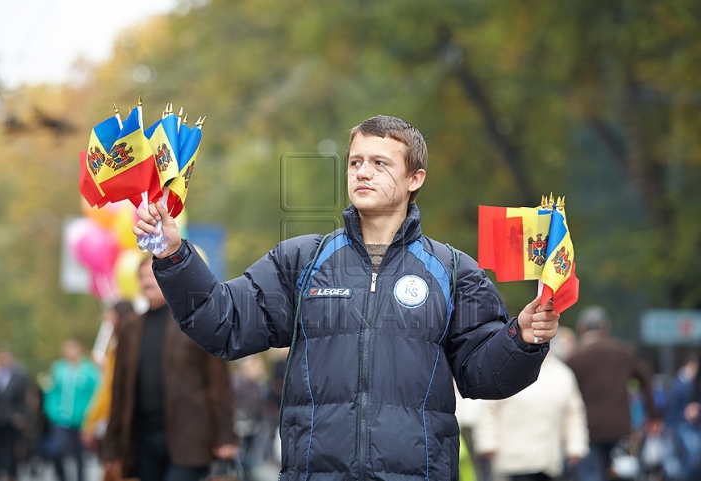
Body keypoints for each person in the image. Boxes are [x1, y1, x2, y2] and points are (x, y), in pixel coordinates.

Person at [134, 114, 560, 480]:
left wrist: (521, 339)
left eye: (379, 162)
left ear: (415, 178)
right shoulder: (301, 259)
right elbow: (223, 322)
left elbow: (482, 377)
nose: (363, 172)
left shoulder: (453, 270)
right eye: (356, 162)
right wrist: (174, 255)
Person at [102, 256, 238, 481]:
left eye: (152, 275)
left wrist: (226, 436)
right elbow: (119, 390)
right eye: (142, 276)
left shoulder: (197, 322)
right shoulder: (130, 329)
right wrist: (111, 442)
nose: (146, 281)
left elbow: (219, 383)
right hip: (143, 439)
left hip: (190, 438)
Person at [565, 305, 662, 481]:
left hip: (587, 429)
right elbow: (646, 381)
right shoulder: (624, 352)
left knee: (591, 475)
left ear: (582, 328)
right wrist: (653, 416)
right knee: (622, 473)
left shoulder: (574, 359)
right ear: (606, 327)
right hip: (620, 428)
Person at [473, 343, 589, 480]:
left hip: (548, 461)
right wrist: (487, 443)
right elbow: (489, 409)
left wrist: (575, 446)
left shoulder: (562, 374)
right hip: (512, 461)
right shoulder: (506, 368)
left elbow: (573, 413)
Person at [82, 301, 137, 481]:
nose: (107, 321)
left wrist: (90, 421)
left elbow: (109, 391)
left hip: (122, 424)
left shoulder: (120, 347)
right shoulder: (137, 344)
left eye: (110, 316)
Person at [42, 338, 100, 481]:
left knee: (79, 455)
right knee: (57, 450)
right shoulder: (58, 368)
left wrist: (90, 417)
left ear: (79, 349)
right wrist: (53, 411)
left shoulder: (89, 370)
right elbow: (51, 391)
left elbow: (96, 394)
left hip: (81, 420)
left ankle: (81, 478)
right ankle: (62, 477)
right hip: (61, 419)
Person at [0, 347, 28, 481]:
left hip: (12, 417)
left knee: (12, 448)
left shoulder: (20, 375)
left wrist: (21, 415)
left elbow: (23, 398)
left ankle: (12, 474)